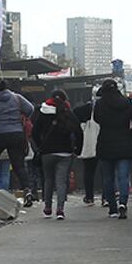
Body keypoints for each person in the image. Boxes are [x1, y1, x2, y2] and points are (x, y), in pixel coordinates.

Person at [93, 80, 132, 219]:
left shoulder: (100, 104)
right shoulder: (127, 103)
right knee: (123, 177)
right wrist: (129, 136)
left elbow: (96, 119)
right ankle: (123, 203)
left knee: (108, 178)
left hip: (105, 143)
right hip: (124, 143)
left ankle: (112, 209)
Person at [32, 89, 83, 220]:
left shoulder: (43, 112)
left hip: (47, 152)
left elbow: (35, 132)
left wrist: (40, 146)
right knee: (61, 182)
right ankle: (60, 210)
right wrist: (77, 150)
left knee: (48, 180)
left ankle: (47, 207)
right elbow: (78, 131)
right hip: (65, 152)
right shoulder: (68, 112)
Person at [0, 79, 34, 199]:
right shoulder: (17, 98)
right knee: (18, 164)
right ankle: (27, 189)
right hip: (17, 133)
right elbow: (30, 109)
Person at [78, 87, 102, 206]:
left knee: (88, 171)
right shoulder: (108, 108)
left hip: (88, 144)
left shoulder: (85, 109)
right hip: (104, 143)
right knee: (106, 172)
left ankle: (89, 196)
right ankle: (107, 197)